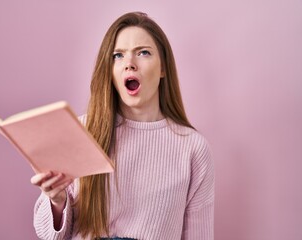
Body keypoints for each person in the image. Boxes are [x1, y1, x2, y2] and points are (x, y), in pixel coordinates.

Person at [31, 12, 214, 240]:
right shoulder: (82, 131)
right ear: (109, 70)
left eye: (143, 52)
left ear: (163, 68)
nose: (129, 64)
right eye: (118, 55)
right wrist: (56, 201)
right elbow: (50, 235)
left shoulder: (193, 149)